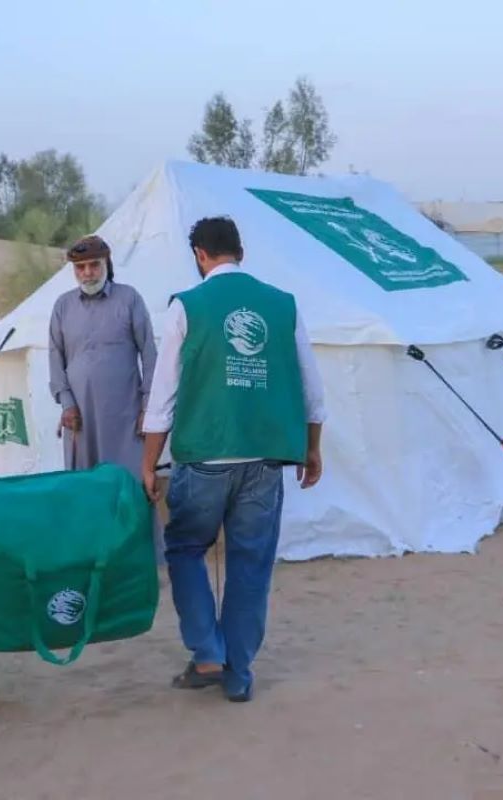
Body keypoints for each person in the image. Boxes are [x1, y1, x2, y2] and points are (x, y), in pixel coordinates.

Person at [140, 216, 325, 703]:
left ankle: (206, 653)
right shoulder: (283, 306)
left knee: (184, 549)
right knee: (250, 563)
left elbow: (162, 399)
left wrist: (148, 463)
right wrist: (313, 447)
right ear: (240, 251)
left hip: (204, 456)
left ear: (200, 255)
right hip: (266, 459)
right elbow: (312, 388)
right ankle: (239, 673)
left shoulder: (187, 306)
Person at [48, 234, 157, 482]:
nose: (87, 273)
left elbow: (150, 354)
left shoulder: (129, 299)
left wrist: (147, 408)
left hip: (125, 418)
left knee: (127, 488)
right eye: (80, 267)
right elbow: (55, 358)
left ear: (107, 263)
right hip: (80, 419)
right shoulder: (62, 306)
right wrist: (67, 404)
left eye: (94, 265)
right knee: (86, 490)